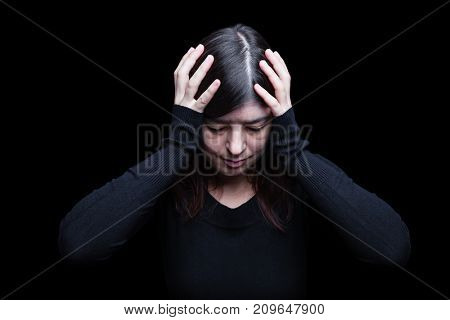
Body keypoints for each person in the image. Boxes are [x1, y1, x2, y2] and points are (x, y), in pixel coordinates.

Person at [58, 23, 411, 299]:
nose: (236, 147)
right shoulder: (170, 184)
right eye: (216, 128)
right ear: (196, 121)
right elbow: (79, 247)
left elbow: (390, 250)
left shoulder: (299, 181)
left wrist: (293, 150)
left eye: (255, 127)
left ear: (276, 121)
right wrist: (177, 145)